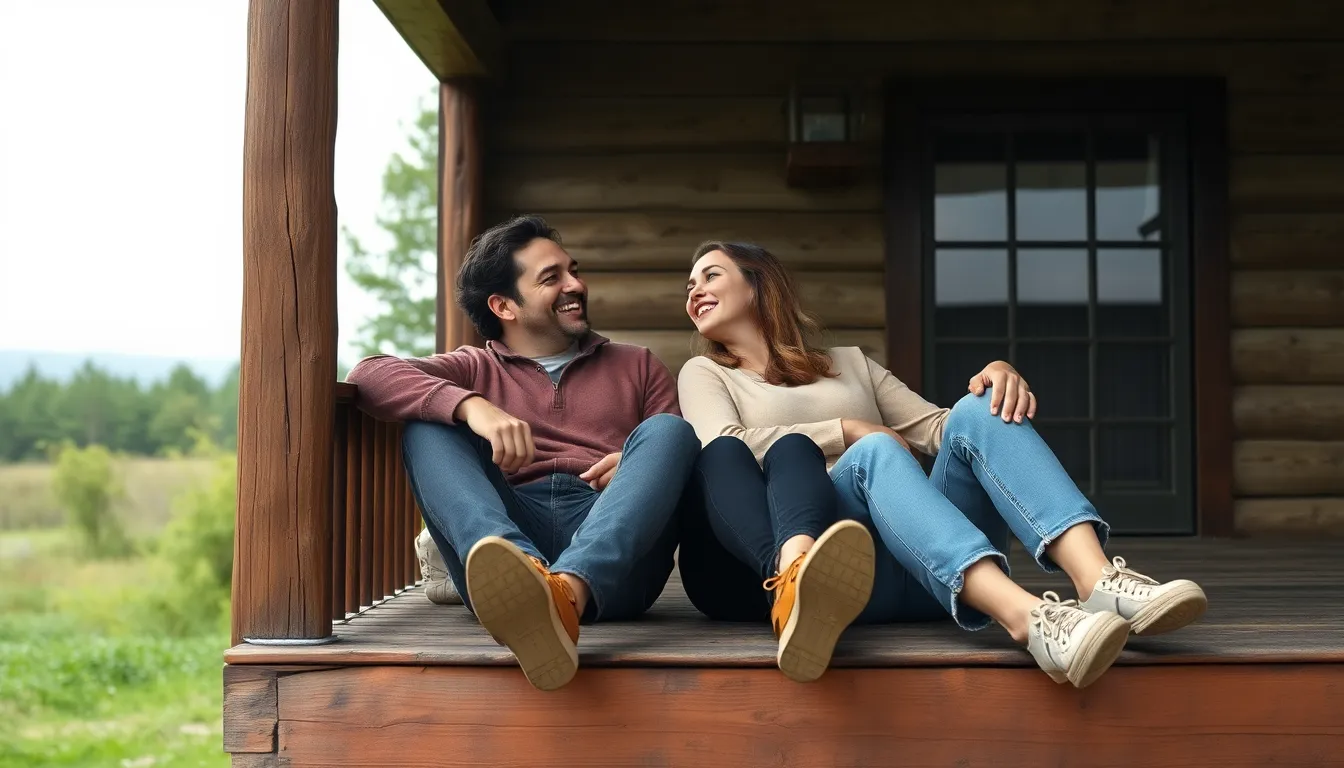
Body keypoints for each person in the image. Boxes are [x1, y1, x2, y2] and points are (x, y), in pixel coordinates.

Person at [675, 240, 1208, 689]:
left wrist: (996, 377)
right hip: (845, 570)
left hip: (931, 566)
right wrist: (847, 430)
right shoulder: (706, 373)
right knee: (875, 452)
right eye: (688, 287)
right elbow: (725, 444)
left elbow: (940, 429)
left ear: (758, 284)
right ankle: (1031, 620)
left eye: (710, 275)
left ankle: (1097, 582)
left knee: (981, 410)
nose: (694, 291)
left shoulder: (850, 364)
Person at [346, 215, 700, 691]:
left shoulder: (637, 365)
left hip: (614, 554)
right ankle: (522, 578)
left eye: (573, 270)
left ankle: (562, 597)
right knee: (426, 427)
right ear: (504, 306)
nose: (575, 284)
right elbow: (369, 375)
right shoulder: (472, 367)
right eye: (551, 278)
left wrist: (635, 468)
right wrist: (471, 406)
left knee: (670, 434)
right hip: (509, 538)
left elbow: (672, 456)